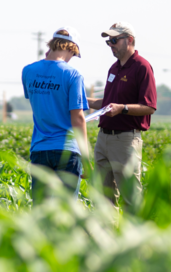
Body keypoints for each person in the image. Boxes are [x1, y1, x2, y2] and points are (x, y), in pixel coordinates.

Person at [87, 22, 157, 206]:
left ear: (130, 40)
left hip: (125, 140)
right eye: (109, 42)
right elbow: (108, 104)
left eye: (115, 40)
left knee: (129, 197)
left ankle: (134, 233)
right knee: (103, 196)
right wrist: (84, 101)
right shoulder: (114, 68)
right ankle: (105, 233)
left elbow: (149, 106)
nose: (111, 45)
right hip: (103, 138)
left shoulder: (142, 67)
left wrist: (123, 108)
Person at [21, 26, 89, 204]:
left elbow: (41, 100)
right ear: (71, 48)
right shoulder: (73, 75)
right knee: (67, 211)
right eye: (73, 55)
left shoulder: (28, 71)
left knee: (41, 209)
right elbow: (78, 118)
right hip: (67, 151)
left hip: (39, 149)